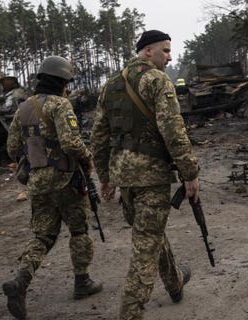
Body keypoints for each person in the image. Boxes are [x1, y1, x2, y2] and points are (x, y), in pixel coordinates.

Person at [91, 30, 200, 320]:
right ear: (147, 51)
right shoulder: (157, 80)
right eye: (165, 50)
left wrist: (104, 176)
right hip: (151, 177)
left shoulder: (110, 85)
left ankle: (175, 282)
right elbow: (173, 130)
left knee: (148, 235)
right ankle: (130, 313)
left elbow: (98, 136)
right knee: (144, 250)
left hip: (124, 176)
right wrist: (190, 172)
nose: (169, 56)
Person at [2, 56, 103, 320]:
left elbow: (12, 149)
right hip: (66, 179)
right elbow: (71, 142)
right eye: (67, 82)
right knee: (79, 230)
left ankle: (20, 282)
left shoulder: (23, 108)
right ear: (62, 81)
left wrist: (36, 160)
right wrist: (88, 158)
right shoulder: (61, 105)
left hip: (37, 182)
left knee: (43, 236)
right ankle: (82, 282)